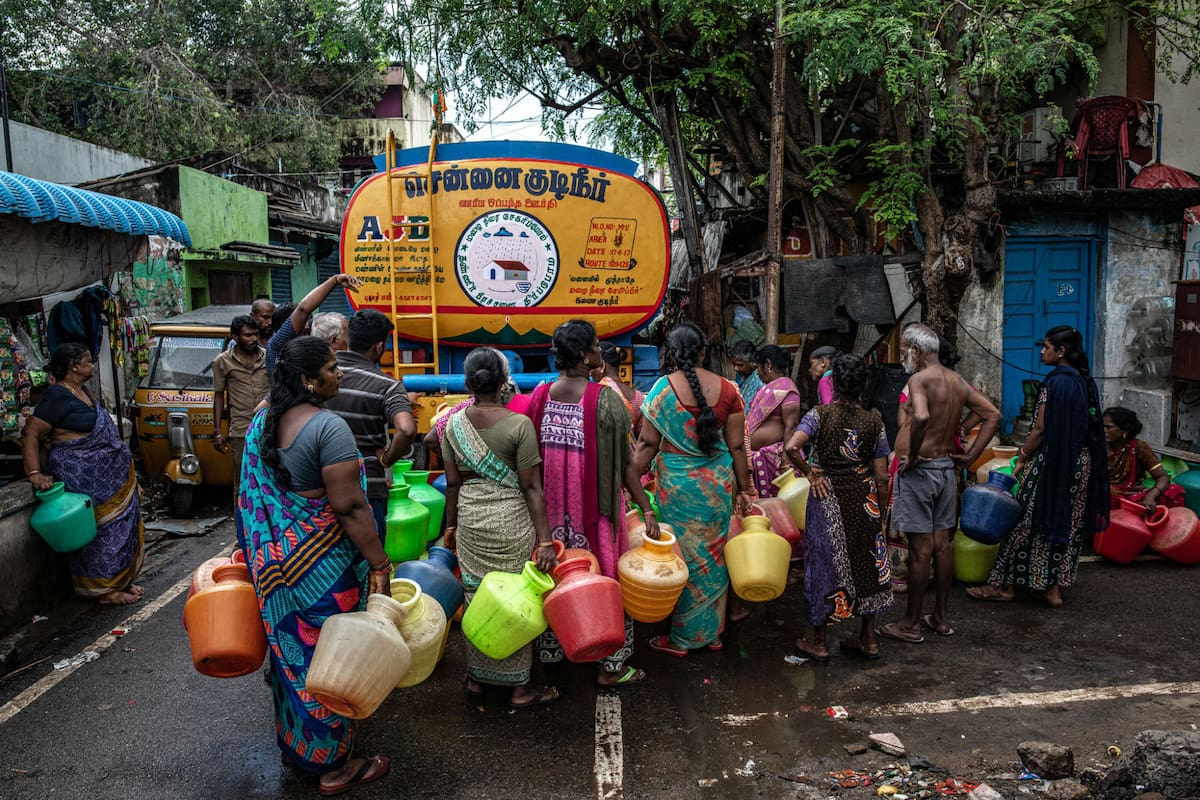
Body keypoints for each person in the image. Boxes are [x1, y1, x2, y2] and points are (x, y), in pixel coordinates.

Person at [235, 336, 393, 794]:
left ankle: (298, 748)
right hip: (321, 568)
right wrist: (380, 563)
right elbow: (350, 506)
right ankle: (334, 766)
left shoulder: (262, 422)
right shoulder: (329, 428)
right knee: (331, 662)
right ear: (308, 380)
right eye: (330, 368)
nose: (338, 373)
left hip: (274, 567)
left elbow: (245, 496)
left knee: (292, 659)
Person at [530, 321, 658, 686]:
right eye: (597, 346)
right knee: (605, 577)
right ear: (585, 356)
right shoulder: (606, 400)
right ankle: (610, 667)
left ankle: (557, 653)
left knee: (556, 578)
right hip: (595, 513)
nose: (601, 351)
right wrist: (646, 509)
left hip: (550, 519)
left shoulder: (540, 396)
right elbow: (626, 465)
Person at [443, 347, 561, 707]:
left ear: (468, 384)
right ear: (504, 382)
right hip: (511, 523)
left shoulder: (452, 424)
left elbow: (452, 483)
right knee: (515, 600)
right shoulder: (519, 425)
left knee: (476, 596)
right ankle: (519, 688)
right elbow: (531, 487)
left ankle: (477, 678)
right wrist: (545, 540)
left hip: (471, 521)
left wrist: (450, 527)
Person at [632, 322, 754, 656]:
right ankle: (711, 634)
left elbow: (646, 445)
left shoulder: (662, 390)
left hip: (678, 487)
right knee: (713, 556)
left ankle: (683, 638)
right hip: (718, 486)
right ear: (703, 351)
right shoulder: (728, 390)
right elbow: (737, 447)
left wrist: (628, 482)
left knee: (683, 555)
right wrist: (745, 489)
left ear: (672, 354)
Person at [968, 326, 1109, 608]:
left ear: (1061, 351)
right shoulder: (1085, 382)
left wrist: (1022, 456)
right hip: (1081, 465)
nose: (1042, 352)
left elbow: (1041, 430)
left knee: (1024, 520)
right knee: (1068, 523)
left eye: (1046, 347)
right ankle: (1053, 589)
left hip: (1051, 464)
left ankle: (1003, 585)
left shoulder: (1053, 384)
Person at [878, 323, 1000, 643]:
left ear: (917, 351)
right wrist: (970, 456)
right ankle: (941, 618)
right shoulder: (956, 380)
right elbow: (992, 414)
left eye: (904, 350)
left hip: (921, 472)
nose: (902, 356)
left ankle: (911, 625)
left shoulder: (919, 379)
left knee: (921, 550)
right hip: (946, 469)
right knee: (942, 545)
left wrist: (913, 454)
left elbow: (920, 417)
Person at [784, 354, 892, 660]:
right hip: (864, 499)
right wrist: (881, 515)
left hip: (826, 495)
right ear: (862, 385)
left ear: (833, 383)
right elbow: (882, 476)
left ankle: (819, 642)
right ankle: (868, 639)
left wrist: (809, 472)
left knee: (822, 565)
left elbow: (792, 446)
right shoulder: (874, 421)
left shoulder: (819, 415)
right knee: (869, 564)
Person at [22, 343, 145, 605]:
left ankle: (120, 581)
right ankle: (103, 590)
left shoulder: (83, 391)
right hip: (83, 476)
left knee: (119, 527)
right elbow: (30, 434)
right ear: (74, 365)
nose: (93, 365)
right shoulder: (57, 395)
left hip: (109, 477)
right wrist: (34, 473)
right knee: (99, 532)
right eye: (88, 361)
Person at [321, 310, 417, 541]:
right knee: (370, 557)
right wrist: (387, 460)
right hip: (367, 487)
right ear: (379, 346)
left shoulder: (318, 374)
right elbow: (406, 429)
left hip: (320, 485)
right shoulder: (387, 385)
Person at [212, 314, 270, 487]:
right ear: (235, 337)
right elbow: (218, 396)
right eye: (248, 335)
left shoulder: (268, 357)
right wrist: (217, 431)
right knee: (242, 478)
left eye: (255, 334)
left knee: (268, 477)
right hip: (240, 429)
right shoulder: (222, 361)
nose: (254, 339)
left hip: (268, 426)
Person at [266, 274, 362, 373]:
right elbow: (303, 310)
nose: (308, 327)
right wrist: (334, 281)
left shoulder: (309, 353)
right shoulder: (277, 348)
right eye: (302, 326)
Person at [746, 345, 801, 498]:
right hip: (759, 457)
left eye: (759, 367)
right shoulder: (769, 389)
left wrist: (785, 461)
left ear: (768, 365)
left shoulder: (787, 389)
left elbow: (791, 426)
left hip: (775, 459)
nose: (757, 372)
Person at [1104, 406, 1183, 510]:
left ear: (1125, 430)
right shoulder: (1096, 447)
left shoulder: (1138, 447)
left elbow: (1163, 477)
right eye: (1102, 426)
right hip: (1106, 495)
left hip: (1132, 495)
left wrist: (1151, 496)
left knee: (1175, 490)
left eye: (1108, 427)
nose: (1103, 430)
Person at [590, 341, 646, 438]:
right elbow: (641, 437)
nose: (590, 372)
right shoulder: (638, 397)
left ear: (603, 365)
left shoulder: (596, 394)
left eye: (593, 366)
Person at [729, 341, 764, 406]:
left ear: (753, 362)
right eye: (733, 364)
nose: (735, 368)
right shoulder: (740, 376)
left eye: (740, 365)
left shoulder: (759, 380)